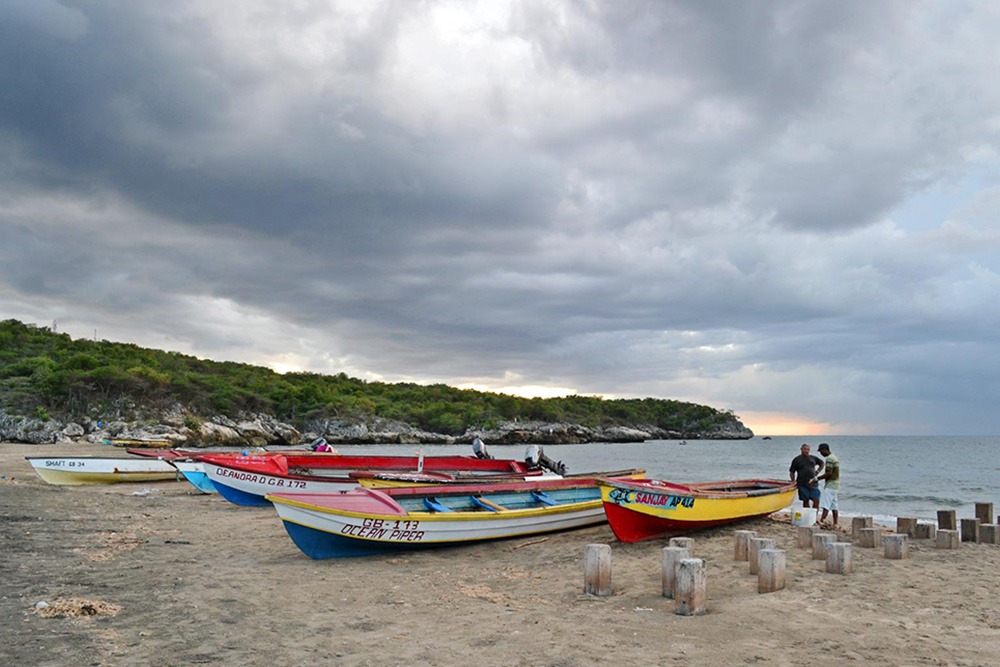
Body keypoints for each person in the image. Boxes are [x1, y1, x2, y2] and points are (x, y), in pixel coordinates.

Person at [789, 443, 824, 509]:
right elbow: (792, 472)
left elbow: (822, 463)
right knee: (805, 501)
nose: (806, 451)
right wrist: (793, 480)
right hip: (802, 483)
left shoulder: (813, 458)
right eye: (805, 449)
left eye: (808, 449)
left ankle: (814, 517)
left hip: (813, 483)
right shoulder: (796, 460)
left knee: (816, 500)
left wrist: (817, 471)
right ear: (801, 449)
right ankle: (807, 516)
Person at [816, 443, 840, 526]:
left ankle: (822, 520)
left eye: (821, 451)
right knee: (834, 505)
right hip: (836, 484)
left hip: (831, 484)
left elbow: (829, 473)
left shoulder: (829, 459)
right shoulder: (834, 457)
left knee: (825, 503)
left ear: (824, 450)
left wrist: (817, 478)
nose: (821, 453)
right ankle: (835, 523)